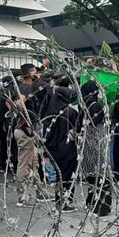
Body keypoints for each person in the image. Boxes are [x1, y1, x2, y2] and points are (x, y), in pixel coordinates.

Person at [14, 63, 50, 206]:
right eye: (35, 72)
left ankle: (41, 191)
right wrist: (24, 115)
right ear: (30, 74)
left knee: (34, 161)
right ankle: (22, 196)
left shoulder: (22, 87)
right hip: (25, 130)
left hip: (26, 130)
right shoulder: (26, 87)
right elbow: (18, 103)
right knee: (25, 163)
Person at [42, 76, 78, 211]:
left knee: (59, 175)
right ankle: (65, 202)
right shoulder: (70, 112)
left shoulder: (50, 112)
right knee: (67, 176)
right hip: (67, 149)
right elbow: (76, 130)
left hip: (53, 149)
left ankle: (59, 201)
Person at [79, 80, 112, 216]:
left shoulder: (85, 107)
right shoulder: (96, 107)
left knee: (93, 177)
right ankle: (101, 206)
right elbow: (96, 124)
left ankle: (91, 202)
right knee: (101, 177)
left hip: (87, 146)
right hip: (97, 146)